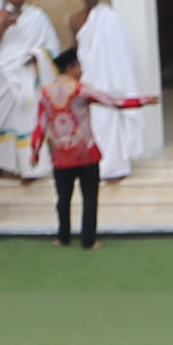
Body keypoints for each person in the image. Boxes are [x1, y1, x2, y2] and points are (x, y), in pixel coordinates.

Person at [0, 0, 58, 210]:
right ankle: (7, 165)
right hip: (6, 75)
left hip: (27, 74)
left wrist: (37, 55)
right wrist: (3, 25)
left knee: (27, 121)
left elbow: (52, 46)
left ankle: (30, 168)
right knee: (4, 118)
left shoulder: (37, 16)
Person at [70, 0, 146, 177]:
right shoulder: (76, 20)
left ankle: (116, 166)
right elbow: (78, 50)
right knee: (93, 124)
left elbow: (122, 51)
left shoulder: (110, 18)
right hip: (90, 79)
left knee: (111, 121)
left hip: (111, 79)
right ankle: (96, 166)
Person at [37, 49, 107, 245]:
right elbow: (113, 101)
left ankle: (63, 236)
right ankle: (88, 240)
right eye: (78, 66)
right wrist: (142, 101)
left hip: (62, 154)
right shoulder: (80, 90)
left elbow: (40, 124)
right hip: (86, 153)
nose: (81, 70)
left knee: (63, 199)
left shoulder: (46, 92)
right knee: (90, 198)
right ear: (71, 68)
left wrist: (34, 152)